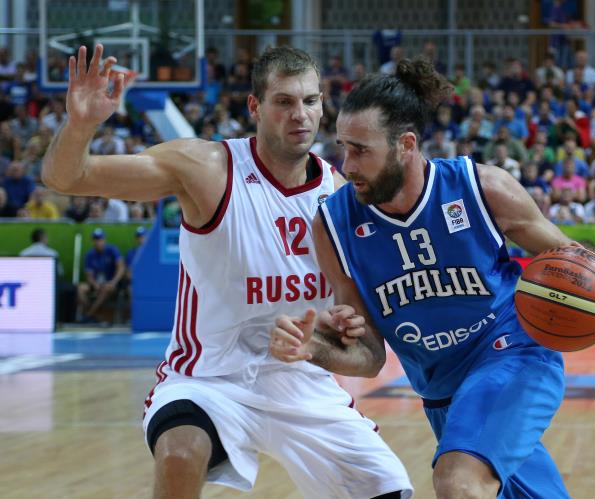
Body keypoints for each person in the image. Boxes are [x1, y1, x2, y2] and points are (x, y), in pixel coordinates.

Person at [41, 44, 411, 499]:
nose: (300, 114)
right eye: (284, 101)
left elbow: (369, 358)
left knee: (389, 488)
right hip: (207, 378)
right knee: (180, 454)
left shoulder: (340, 197)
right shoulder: (206, 168)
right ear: (254, 106)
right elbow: (66, 178)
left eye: (310, 101)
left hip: (302, 383)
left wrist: (326, 341)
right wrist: (80, 125)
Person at [271, 58, 595, 498]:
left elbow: (572, 261)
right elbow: (369, 357)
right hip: (442, 395)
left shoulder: (483, 189)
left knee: (458, 481)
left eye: (361, 150)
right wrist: (315, 348)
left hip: (513, 356)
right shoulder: (333, 225)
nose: (347, 165)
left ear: (405, 144)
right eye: (343, 147)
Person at [77, 228, 125, 322]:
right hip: (96, 284)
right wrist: (95, 284)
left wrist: (113, 282)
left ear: (104, 240)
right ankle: (93, 314)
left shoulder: (112, 250)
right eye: (96, 239)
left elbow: (121, 268)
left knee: (105, 289)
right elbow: (88, 275)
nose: (98, 242)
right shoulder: (89, 255)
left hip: (111, 283)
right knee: (81, 288)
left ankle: (88, 315)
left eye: (100, 239)